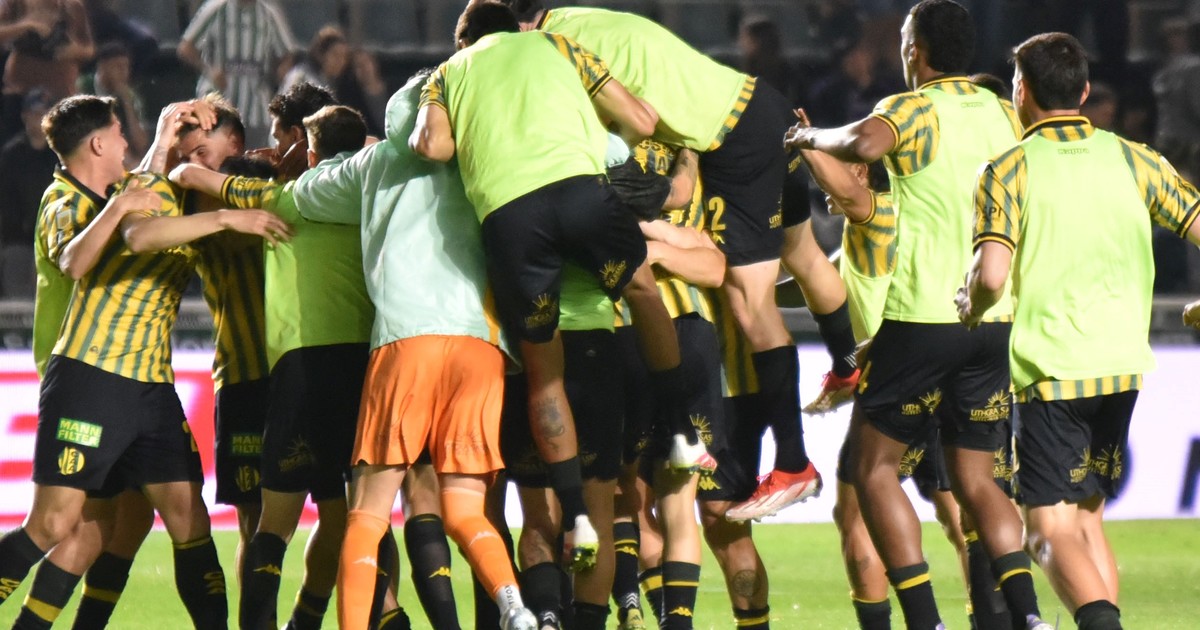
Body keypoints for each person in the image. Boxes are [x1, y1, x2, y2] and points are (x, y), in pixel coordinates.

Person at [493, 0, 844, 520]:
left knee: (750, 303)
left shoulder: (557, 52)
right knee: (802, 255)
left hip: (732, 146)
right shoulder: (578, 21)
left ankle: (793, 463)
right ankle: (847, 363)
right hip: (753, 116)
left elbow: (642, 123)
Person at [784, 2, 1049, 628]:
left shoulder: (913, 109)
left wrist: (808, 139)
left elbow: (864, 143)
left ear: (914, 50)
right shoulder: (1002, 111)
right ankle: (1029, 616)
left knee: (870, 472)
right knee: (978, 485)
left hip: (923, 320)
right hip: (994, 318)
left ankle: (923, 621)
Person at [411, 1, 692, 568]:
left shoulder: (447, 73)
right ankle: (684, 433)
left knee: (544, 372)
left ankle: (577, 517)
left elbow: (432, 146)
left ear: (464, 41)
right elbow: (640, 119)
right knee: (641, 289)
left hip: (512, 217)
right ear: (514, 28)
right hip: (580, 192)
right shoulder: (558, 45)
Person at [958, 32, 1200, 630]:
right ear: (1085, 91)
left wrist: (971, 302)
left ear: (1020, 91)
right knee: (1087, 521)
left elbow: (992, 275)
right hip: (1123, 368)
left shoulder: (1009, 169)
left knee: (1047, 532)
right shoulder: (1136, 159)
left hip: (1053, 373)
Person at [281, 94, 539, 629]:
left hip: (405, 341)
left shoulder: (375, 162)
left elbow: (305, 196)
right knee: (465, 510)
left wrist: (333, 159)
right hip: (478, 345)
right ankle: (512, 601)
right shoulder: (480, 158)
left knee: (367, 514)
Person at [0, 95, 230, 630]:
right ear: (99, 143)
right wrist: (152, 171)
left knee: (128, 523)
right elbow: (77, 258)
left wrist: (164, 141)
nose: (128, 143)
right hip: (88, 372)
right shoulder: (63, 202)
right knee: (63, 526)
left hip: (145, 381)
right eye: (121, 133)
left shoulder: (114, 194)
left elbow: (139, 194)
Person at [170, 99, 372, 630]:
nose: (194, 160)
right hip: (244, 378)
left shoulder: (288, 192)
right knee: (257, 521)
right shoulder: (205, 209)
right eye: (188, 153)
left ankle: (307, 617)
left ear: (236, 142)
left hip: (301, 373)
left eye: (202, 149)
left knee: (338, 513)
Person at [178, 0, 296, 148]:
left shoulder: (268, 13)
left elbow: (287, 53)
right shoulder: (216, 9)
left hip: (256, 109)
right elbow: (186, 48)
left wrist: (281, 74)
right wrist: (209, 70)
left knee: (254, 157)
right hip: (218, 105)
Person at [0, 0, 94, 143]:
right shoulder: (16, 4)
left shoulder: (72, 7)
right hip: (20, 88)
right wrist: (26, 25)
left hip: (60, 89)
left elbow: (89, 49)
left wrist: (73, 50)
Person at [0, 88, 56, 297]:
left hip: (54, 240)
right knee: (19, 302)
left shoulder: (60, 155)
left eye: (46, 114)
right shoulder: (12, 154)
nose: (41, 119)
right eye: (36, 113)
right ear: (25, 116)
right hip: (19, 242)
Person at [78, 41, 149, 161]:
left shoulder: (131, 95)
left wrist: (127, 103)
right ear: (102, 67)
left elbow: (141, 144)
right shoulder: (83, 87)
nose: (124, 72)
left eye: (126, 67)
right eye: (118, 67)